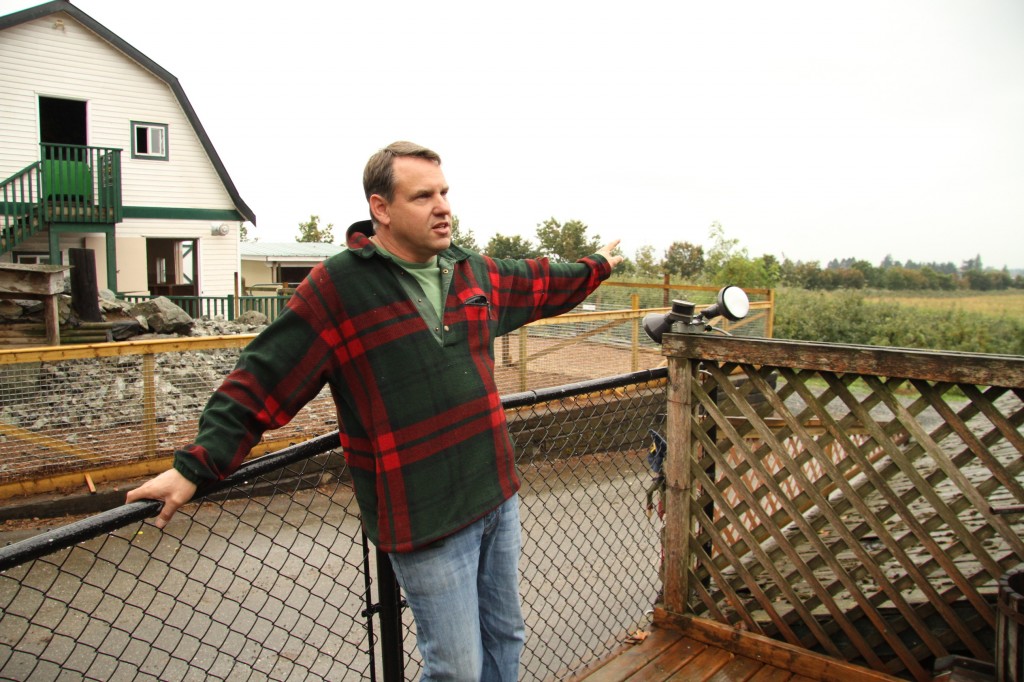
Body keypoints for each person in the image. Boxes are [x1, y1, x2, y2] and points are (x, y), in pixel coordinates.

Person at [127, 141, 623, 681]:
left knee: (506, 636)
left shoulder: (470, 271)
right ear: (381, 209)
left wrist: (595, 266)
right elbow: (263, 376)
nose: (442, 207)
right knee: (456, 667)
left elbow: (543, 281)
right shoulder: (339, 287)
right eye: (423, 196)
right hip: (424, 513)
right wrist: (195, 466)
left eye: (444, 193)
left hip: (495, 493)